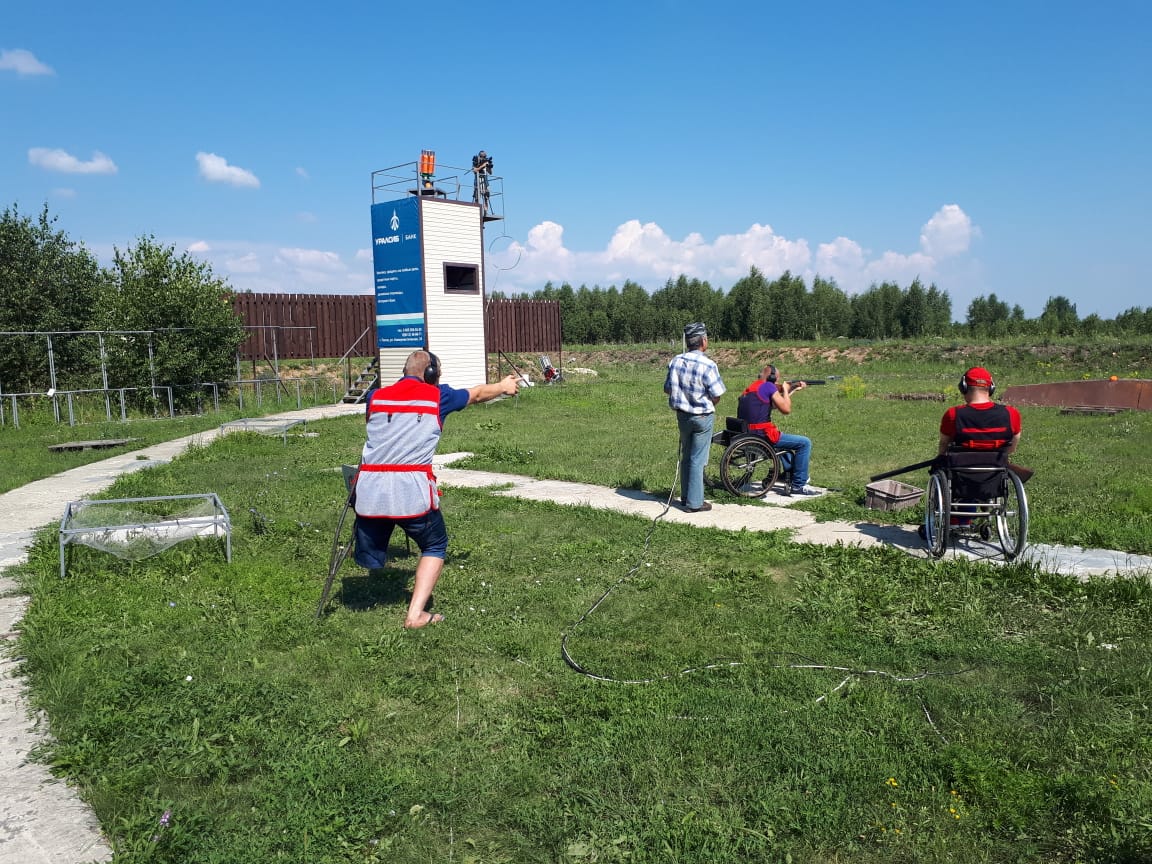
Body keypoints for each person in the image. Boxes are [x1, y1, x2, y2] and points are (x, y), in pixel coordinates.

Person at [353, 350, 520, 628]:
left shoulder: (375, 397)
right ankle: (416, 614)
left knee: (384, 522)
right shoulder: (437, 396)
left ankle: (370, 559)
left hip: (369, 493)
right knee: (435, 544)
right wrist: (503, 387)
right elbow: (477, 393)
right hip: (410, 492)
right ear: (431, 374)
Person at [664, 322, 726, 512]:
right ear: (703, 341)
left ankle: (685, 496)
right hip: (702, 417)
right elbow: (717, 393)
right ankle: (695, 502)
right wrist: (705, 404)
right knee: (698, 459)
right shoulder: (708, 364)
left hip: (683, 417)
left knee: (687, 456)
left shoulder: (675, 361)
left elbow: (667, 388)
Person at [736, 364, 820, 496]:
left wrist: (791, 389)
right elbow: (786, 409)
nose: (777, 383)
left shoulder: (752, 387)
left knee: (784, 447)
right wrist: (785, 390)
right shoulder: (769, 386)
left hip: (748, 434)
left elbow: (775, 404)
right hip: (762, 436)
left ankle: (786, 475)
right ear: (772, 377)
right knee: (805, 443)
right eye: (777, 379)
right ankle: (799, 484)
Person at [938, 366, 1021, 456]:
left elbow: (944, 445)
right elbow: (1012, 448)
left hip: (960, 468)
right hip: (997, 467)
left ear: (963, 387)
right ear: (991, 388)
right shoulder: (1011, 413)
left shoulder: (953, 414)